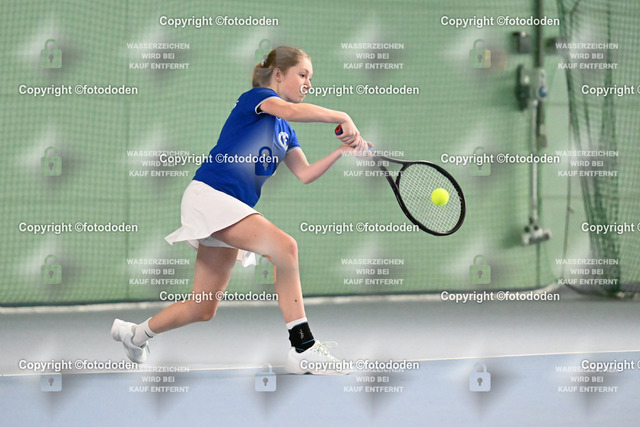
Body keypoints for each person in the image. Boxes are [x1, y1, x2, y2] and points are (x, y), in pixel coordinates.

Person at [112, 46, 370, 375]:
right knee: (285, 248)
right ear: (279, 74)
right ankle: (303, 348)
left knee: (202, 307)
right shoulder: (257, 99)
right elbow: (290, 111)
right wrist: (342, 116)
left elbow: (305, 173)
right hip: (210, 196)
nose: (308, 83)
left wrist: (341, 151)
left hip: (229, 207)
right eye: (302, 75)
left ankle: (134, 335)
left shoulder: (286, 132)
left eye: (311, 78)